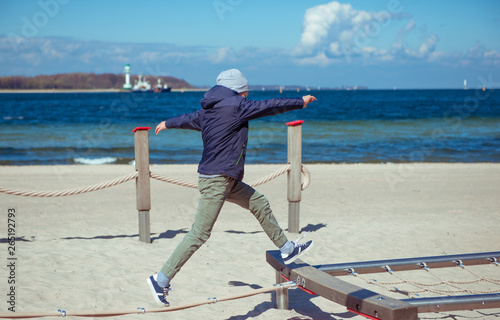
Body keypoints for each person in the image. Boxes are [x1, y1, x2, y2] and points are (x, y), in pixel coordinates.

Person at [147, 69, 316, 306]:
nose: (248, 94)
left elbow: (187, 119)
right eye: (246, 90)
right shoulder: (236, 106)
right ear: (239, 89)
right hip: (217, 180)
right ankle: (160, 280)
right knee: (199, 234)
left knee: (258, 201)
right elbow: (270, 106)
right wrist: (300, 102)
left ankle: (287, 248)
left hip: (224, 178)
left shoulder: (210, 109)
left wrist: (167, 123)